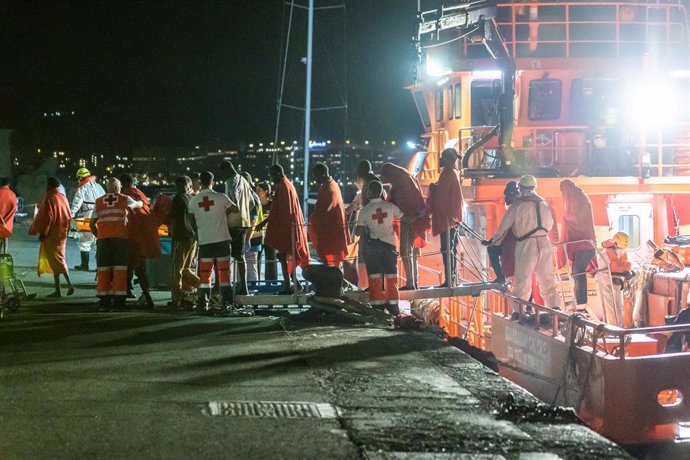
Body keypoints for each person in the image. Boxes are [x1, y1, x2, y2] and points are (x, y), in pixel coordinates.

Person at [485, 175, 560, 320]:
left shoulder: (518, 205)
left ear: (521, 189)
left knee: (523, 278)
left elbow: (503, 227)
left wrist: (495, 243)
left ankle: (519, 311)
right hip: (544, 242)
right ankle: (555, 307)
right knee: (547, 277)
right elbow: (549, 225)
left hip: (526, 243)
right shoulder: (543, 204)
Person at [90, 178, 144, 309]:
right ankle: (119, 301)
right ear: (118, 187)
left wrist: (99, 236)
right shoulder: (124, 199)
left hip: (103, 240)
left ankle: (104, 300)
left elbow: (92, 223)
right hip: (120, 240)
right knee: (120, 269)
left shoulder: (99, 201)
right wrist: (142, 202)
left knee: (103, 269)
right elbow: (138, 205)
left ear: (108, 187)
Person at [188, 171, 237, 311]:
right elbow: (236, 208)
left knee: (204, 274)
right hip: (222, 240)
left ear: (200, 182)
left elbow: (191, 219)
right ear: (212, 181)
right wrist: (222, 213)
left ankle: (203, 303)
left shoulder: (194, 200)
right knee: (224, 272)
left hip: (204, 242)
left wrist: (197, 233)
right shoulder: (221, 197)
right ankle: (226, 302)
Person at [356, 180, 403, 315]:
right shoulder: (390, 206)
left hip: (373, 248)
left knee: (375, 277)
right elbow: (403, 216)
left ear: (369, 193)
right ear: (382, 192)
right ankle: (393, 306)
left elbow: (359, 232)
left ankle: (378, 307)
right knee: (391, 276)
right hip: (389, 247)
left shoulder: (364, 211)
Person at [379, 162, 429, 290]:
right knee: (410, 251)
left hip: (410, 220)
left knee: (406, 251)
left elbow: (402, 203)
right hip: (412, 219)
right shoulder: (402, 177)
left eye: (383, 176)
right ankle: (413, 282)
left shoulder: (401, 181)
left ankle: (411, 284)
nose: (383, 179)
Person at [264, 164, 310, 294]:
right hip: (289, 227)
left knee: (283, 256)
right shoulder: (286, 185)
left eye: (272, 176)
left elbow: (284, 211)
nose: (271, 179)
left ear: (278, 174)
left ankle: (288, 286)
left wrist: (280, 233)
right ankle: (294, 284)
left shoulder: (283, 187)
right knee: (285, 256)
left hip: (287, 229)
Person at [29, 177, 75, 298]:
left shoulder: (50, 197)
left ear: (49, 186)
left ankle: (70, 285)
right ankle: (57, 290)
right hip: (62, 233)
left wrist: (43, 233)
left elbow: (48, 217)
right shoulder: (63, 197)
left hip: (52, 234)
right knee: (56, 261)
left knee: (58, 260)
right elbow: (69, 216)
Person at [121, 174, 161, 308]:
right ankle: (146, 298)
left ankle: (131, 296)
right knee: (139, 268)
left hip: (131, 238)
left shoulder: (124, 195)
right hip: (144, 238)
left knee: (128, 266)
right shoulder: (140, 195)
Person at [218, 161, 257, 296]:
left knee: (225, 255)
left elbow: (232, 200)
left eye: (222, 173)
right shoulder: (244, 180)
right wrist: (244, 213)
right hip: (244, 223)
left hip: (232, 224)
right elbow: (253, 202)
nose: (222, 176)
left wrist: (223, 215)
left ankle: (224, 286)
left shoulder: (230, 181)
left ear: (226, 170)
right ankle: (244, 287)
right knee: (240, 256)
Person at [428, 148, 463, 287]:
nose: (441, 159)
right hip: (450, 219)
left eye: (443, 156)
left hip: (448, 220)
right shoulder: (451, 173)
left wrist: (433, 188)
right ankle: (451, 278)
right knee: (449, 249)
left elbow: (442, 194)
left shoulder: (449, 174)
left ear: (449, 159)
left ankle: (450, 279)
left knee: (447, 249)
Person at [560, 179, 596, 308]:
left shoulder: (577, 197)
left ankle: (581, 303)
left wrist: (565, 219)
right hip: (584, 245)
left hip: (584, 245)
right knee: (577, 272)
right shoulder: (580, 196)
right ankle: (579, 301)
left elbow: (576, 218)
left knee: (578, 272)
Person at [309, 163, 350, 267]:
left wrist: (311, 220)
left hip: (331, 235)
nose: (315, 180)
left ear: (322, 174)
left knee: (331, 263)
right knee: (334, 263)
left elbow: (320, 213)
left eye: (316, 177)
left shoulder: (327, 189)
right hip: (335, 232)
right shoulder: (333, 184)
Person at [169, 175, 197, 309]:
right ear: (189, 186)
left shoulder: (177, 199)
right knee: (186, 269)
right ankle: (204, 289)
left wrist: (172, 235)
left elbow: (173, 220)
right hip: (193, 238)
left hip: (181, 237)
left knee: (177, 270)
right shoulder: (192, 199)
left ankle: (175, 300)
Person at [70, 167, 105, 271]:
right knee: (98, 241)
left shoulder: (82, 188)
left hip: (88, 216)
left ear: (80, 178)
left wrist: (71, 214)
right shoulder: (99, 186)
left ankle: (84, 265)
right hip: (101, 216)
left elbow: (77, 203)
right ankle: (100, 267)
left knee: (84, 241)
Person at [597, 231, 634, 326]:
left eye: (624, 248)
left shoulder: (622, 255)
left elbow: (624, 267)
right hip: (606, 286)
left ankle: (619, 330)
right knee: (611, 310)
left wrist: (629, 274)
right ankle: (613, 332)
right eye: (620, 248)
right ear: (614, 245)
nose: (622, 250)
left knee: (620, 309)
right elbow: (600, 275)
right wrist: (612, 279)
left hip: (618, 286)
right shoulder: (604, 256)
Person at [487, 181, 519, 283]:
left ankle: (501, 277)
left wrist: (493, 242)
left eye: (506, 195)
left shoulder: (513, 208)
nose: (505, 198)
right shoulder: (523, 206)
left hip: (515, 245)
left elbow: (504, 229)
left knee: (492, 249)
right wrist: (492, 240)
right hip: (521, 243)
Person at [240, 172, 261, 283]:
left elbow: (253, 220)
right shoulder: (249, 196)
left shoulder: (251, 197)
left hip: (251, 237)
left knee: (250, 266)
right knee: (247, 265)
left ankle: (252, 289)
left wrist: (247, 240)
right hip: (251, 236)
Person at [255, 181, 275, 280]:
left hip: (270, 236)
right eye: (256, 190)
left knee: (271, 260)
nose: (257, 192)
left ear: (266, 191)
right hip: (257, 237)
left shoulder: (273, 205)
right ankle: (255, 280)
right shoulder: (256, 205)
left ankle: (271, 282)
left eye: (259, 190)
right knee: (256, 260)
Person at [0, 177, 17, 252]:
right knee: (5, 237)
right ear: (9, 184)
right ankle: (5, 253)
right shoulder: (13, 194)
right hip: (7, 222)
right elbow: (14, 208)